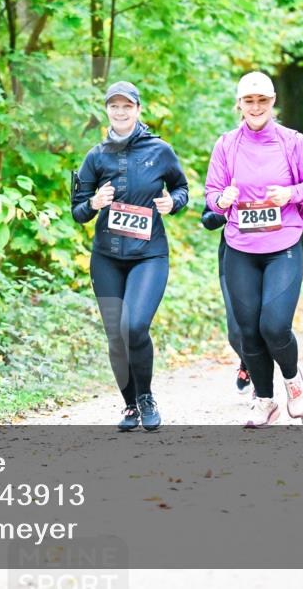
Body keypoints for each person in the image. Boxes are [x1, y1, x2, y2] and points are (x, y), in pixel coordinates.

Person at [204, 71, 303, 428]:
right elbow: (211, 194)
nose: (256, 107)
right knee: (246, 331)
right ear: (239, 105)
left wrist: (292, 194)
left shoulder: (292, 142)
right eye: (249, 101)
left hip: (283, 244)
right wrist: (221, 199)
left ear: (273, 103)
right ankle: (264, 400)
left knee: (273, 326)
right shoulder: (226, 144)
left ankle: (292, 379)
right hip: (240, 246)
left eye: (263, 100)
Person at [71, 81, 189, 432]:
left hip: (148, 255)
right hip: (106, 256)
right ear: (106, 111)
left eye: (127, 106)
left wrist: (173, 203)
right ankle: (129, 406)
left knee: (134, 325)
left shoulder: (160, 150)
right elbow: (77, 211)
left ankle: (146, 396)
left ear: (138, 110)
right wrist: (93, 203)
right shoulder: (96, 155)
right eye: (114, 106)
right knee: (114, 334)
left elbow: (181, 187)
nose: (120, 112)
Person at [200, 203, 252, 396]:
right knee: (236, 332)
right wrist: (225, 210)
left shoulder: (278, 177)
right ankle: (249, 362)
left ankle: (261, 381)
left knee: (265, 325)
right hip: (232, 259)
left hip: (271, 258)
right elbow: (208, 220)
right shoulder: (229, 177)